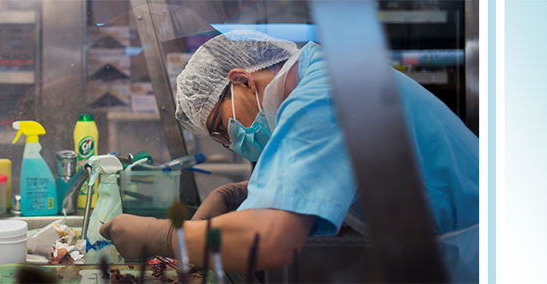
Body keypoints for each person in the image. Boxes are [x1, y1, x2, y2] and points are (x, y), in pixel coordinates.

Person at [99, 30, 483, 282]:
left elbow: (271, 242)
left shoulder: (318, 100)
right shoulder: (324, 79)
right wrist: (248, 194)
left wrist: (163, 236)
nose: (229, 142)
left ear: (240, 80)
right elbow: (338, 184)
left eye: (220, 127)